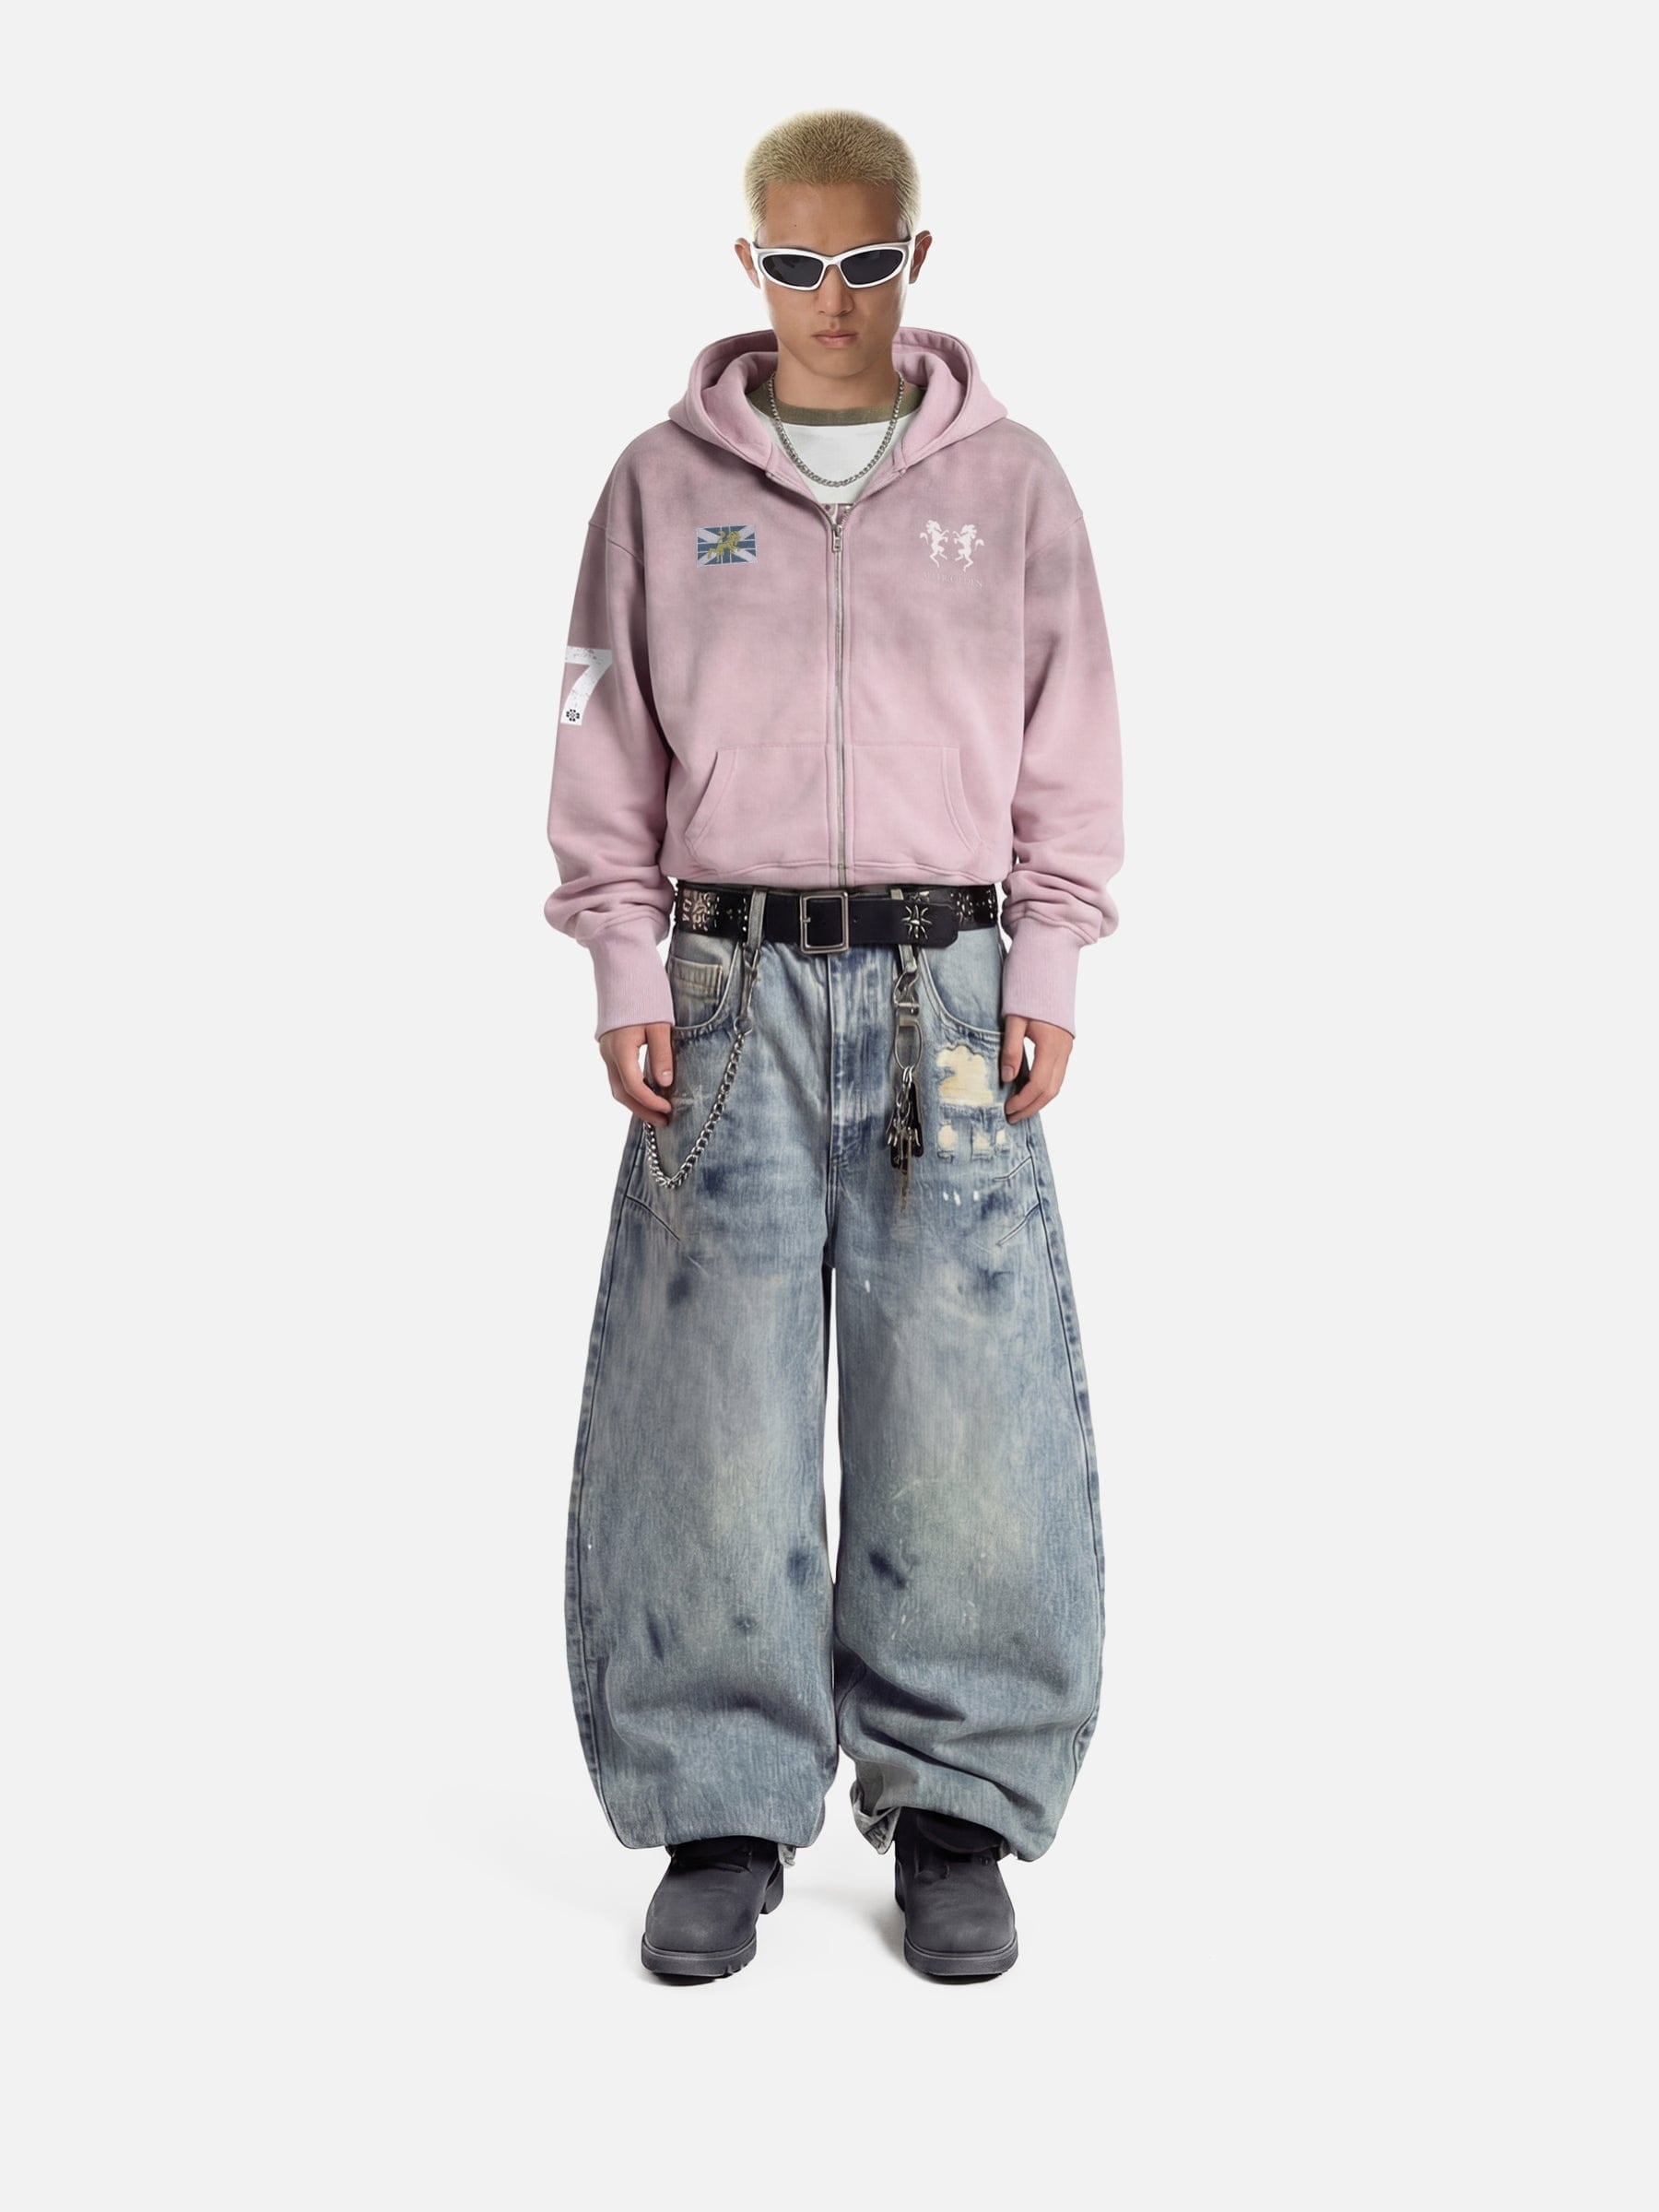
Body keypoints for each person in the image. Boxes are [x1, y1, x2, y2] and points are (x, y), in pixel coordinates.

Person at [543, 107, 1124, 1982]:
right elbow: (603, 738)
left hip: (950, 989)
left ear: (912, 261)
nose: (832, 298)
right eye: (797, 264)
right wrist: (625, 962)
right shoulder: (660, 486)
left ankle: (955, 1812)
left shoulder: (1009, 484)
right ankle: (721, 1808)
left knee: (967, 1391)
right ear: (753, 265)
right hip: (728, 988)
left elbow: (1072, 733)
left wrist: (1050, 959)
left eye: (866, 262)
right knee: (708, 1399)